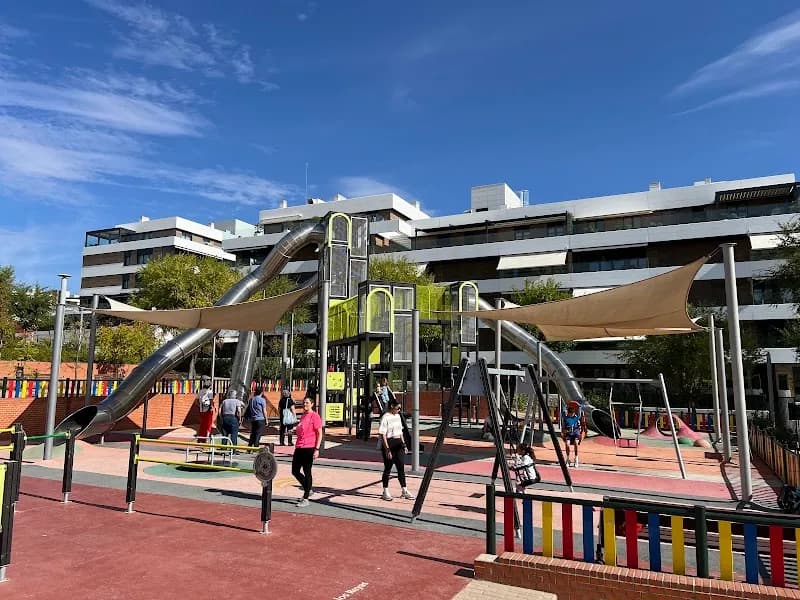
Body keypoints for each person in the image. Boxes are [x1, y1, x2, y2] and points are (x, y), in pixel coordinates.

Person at [378, 398, 414, 501]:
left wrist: (404, 445)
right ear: (392, 407)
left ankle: (404, 490)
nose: (399, 410)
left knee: (401, 468)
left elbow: (400, 432)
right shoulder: (385, 417)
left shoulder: (398, 416)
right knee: (388, 468)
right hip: (389, 443)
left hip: (398, 443)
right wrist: (387, 449)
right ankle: (385, 491)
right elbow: (382, 434)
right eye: (398, 408)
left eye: (400, 408)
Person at [292, 397, 322, 507]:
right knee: (294, 470)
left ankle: (306, 497)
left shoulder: (315, 416)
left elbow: (319, 433)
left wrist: (317, 449)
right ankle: (308, 489)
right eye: (304, 402)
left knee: (307, 471)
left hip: (309, 447)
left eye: (307, 403)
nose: (305, 404)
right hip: (299, 446)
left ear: (312, 404)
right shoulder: (303, 416)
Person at [561, 402, 586, 467]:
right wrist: (565, 406)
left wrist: (579, 407)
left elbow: (580, 415)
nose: (570, 415)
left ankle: (576, 458)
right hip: (568, 434)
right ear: (568, 413)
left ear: (574, 413)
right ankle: (568, 459)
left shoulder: (576, 418)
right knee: (567, 444)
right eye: (569, 414)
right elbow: (563, 413)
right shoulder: (566, 418)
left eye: (572, 414)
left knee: (576, 443)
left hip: (575, 433)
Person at [195, 377, 215, 442]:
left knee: (202, 424)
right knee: (208, 425)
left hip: (201, 409)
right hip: (208, 410)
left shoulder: (200, 391)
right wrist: (212, 407)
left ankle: (200, 438)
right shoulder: (210, 392)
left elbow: (196, 401)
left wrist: (199, 406)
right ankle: (205, 439)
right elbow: (211, 401)